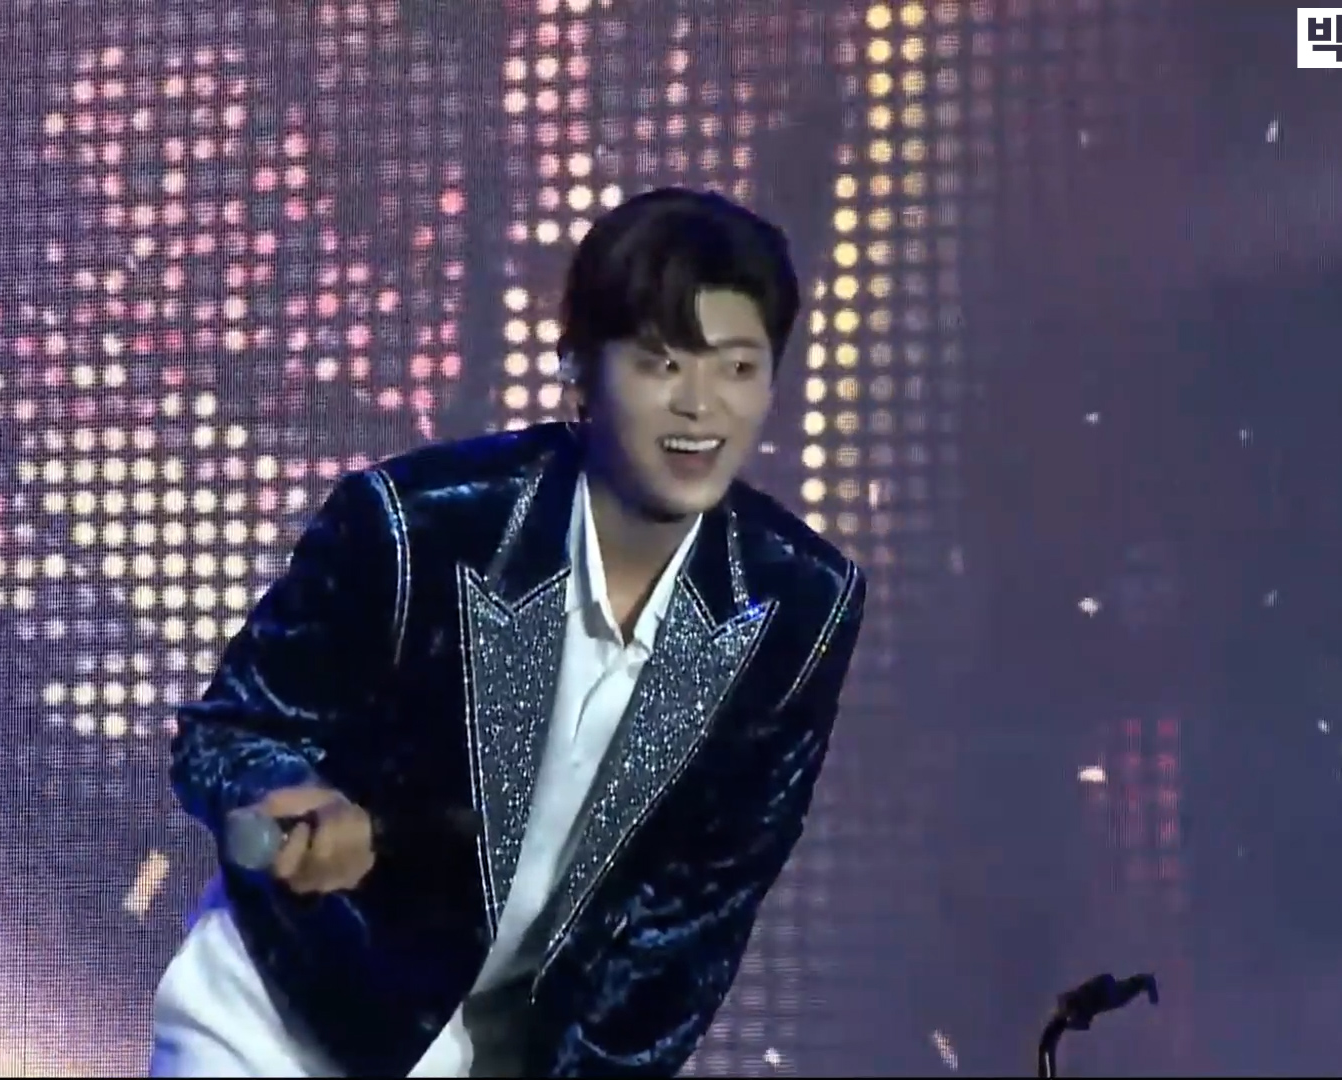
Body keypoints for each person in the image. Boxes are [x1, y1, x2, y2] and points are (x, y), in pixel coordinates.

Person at [150, 187, 867, 1078]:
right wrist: (288, 794)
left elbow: (700, 907)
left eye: (738, 368)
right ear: (579, 364)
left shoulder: (797, 604)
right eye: (661, 363)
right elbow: (226, 733)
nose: (701, 406)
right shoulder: (419, 524)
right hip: (285, 1014)